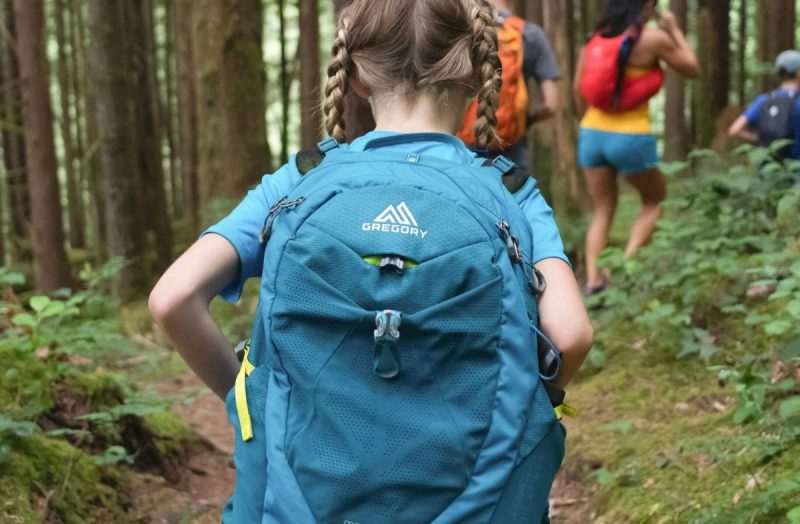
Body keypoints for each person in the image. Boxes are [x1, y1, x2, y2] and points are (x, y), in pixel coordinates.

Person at [150, 0, 592, 522]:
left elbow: (172, 299)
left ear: (356, 75)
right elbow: (569, 336)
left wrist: (248, 402)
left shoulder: (300, 181)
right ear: (477, 73)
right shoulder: (511, 192)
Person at [574, 0, 699, 295]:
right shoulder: (652, 38)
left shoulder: (594, 39)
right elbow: (692, 68)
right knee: (655, 201)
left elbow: (576, 92)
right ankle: (626, 270)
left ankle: (593, 282)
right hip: (630, 135)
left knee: (602, 210)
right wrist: (675, 30)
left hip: (591, 132)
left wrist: (587, 124)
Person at [456, 0, 561, 173]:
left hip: (463, 147)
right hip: (510, 150)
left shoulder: (460, 28)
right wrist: (524, 122)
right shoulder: (530, 34)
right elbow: (551, 104)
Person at [728, 50, 800, 169]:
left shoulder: (763, 100)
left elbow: (734, 130)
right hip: (795, 173)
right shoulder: (798, 101)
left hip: (767, 172)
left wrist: (762, 138)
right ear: (798, 73)